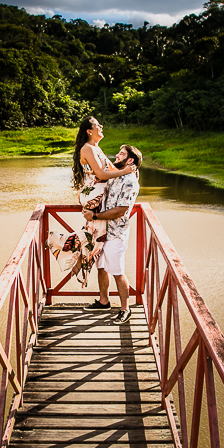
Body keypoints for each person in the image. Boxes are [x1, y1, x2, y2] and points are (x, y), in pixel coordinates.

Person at [68, 116, 134, 286]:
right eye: (98, 125)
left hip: (98, 196)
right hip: (93, 195)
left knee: (94, 233)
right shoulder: (88, 148)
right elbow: (102, 175)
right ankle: (78, 263)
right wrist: (126, 171)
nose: (102, 126)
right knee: (96, 234)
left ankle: (79, 263)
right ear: (90, 131)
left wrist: (131, 172)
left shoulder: (96, 148)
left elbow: (111, 169)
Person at [82, 144, 141, 324]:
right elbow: (95, 167)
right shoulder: (117, 174)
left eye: (121, 153)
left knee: (117, 271)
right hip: (103, 231)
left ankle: (125, 309)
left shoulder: (130, 181)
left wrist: (95, 215)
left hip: (116, 233)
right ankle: (104, 301)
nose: (117, 155)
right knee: (101, 266)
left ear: (130, 160)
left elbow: (122, 210)